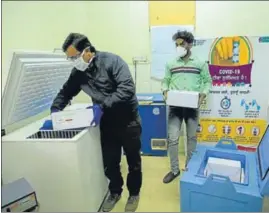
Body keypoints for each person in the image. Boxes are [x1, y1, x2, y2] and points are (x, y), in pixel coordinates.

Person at [50, 33, 142, 212]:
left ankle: (134, 194)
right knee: (110, 161)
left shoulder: (112, 61)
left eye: (74, 57)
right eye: (70, 59)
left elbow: (127, 88)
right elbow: (66, 92)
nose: (73, 61)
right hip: (106, 123)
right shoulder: (78, 72)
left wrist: (102, 105)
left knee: (133, 160)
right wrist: (55, 111)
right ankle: (115, 192)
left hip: (128, 120)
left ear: (88, 51)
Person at [161, 30, 212, 184]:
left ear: (189, 44)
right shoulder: (171, 63)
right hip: (175, 107)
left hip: (192, 106)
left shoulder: (200, 63)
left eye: (182, 43)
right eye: (176, 44)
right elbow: (165, 81)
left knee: (191, 138)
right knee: (173, 139)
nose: (179, 46)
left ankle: (189, 168)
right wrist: (165, 91)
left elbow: (207, 81)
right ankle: (174, 170)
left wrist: (203, 94)